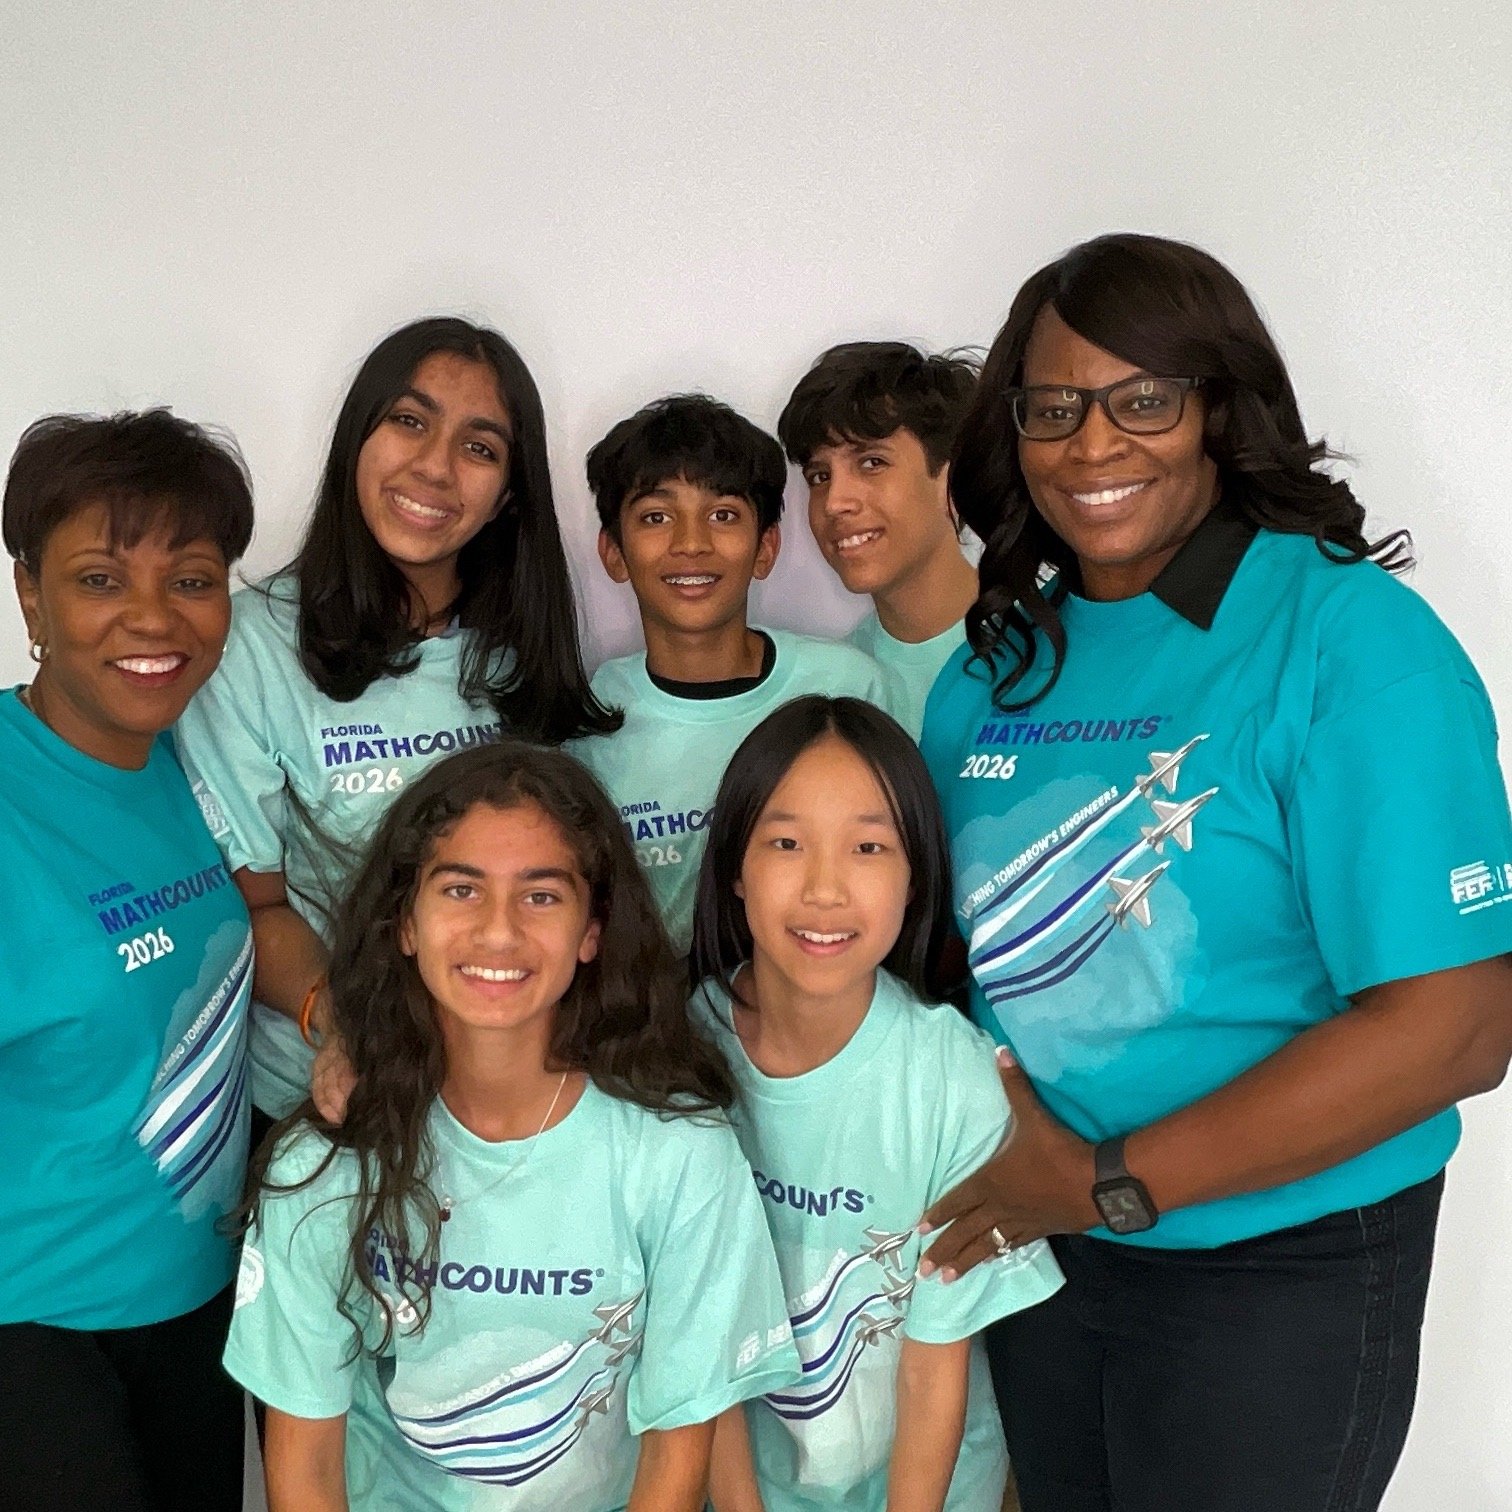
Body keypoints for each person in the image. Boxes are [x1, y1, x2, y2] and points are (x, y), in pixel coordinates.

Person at [916, 232, 1512, 1512]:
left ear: (1219, 411)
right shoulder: (987, 676)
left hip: (1277, 1271)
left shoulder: (1353, 643)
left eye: (1143, 400)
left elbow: (1458, 1028)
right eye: (1054, 407)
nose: (1092, 446)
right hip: (1052, 1257)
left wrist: (1109, 1180)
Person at [225, 741, 800, 1511]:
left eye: (541, 896)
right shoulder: (324, 1166)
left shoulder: (678, 1153)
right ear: (405, 923)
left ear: (592, 932)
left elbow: (679, 1442)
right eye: (461, 890)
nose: (498, 932)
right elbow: (304, 1470)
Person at [177, 316, 618, 1124]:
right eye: (409, 422)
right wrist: (344, 1027)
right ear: (357, 439)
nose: (435, 468)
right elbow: (256, 906)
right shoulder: (253, 648)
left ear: (509, 494)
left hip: (507, 1092)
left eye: (479, 448)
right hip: (330, 1099)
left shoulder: (524, 654)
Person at [690, 696, 1062, 1512]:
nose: (825, 888)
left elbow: (935, 1361)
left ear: (915, 875)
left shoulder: (950, 1076)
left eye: (868, 847)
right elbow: (696, 1335)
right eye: (786, 843)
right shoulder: (685, 1052)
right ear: (734, 870)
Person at [0, 410, 256, 1510]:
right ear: (30, 598)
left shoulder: (199, 764)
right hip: (35, 1333)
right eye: (102, 578)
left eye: (193, 578)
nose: (155, 618)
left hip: (200, 1305)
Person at [574, 394, 887, 952]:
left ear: (765, 548)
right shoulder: (586, 720)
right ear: (614, 553)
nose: (691, 544)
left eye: (723, 516)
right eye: (655, 517)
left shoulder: (845, 688)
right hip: (651, 1027)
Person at [778, 343, 979, 736]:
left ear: (953, 481)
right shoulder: (831, 685)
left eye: (872, 463)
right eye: (820, 476)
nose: (835, 502)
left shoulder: (1050, 645)